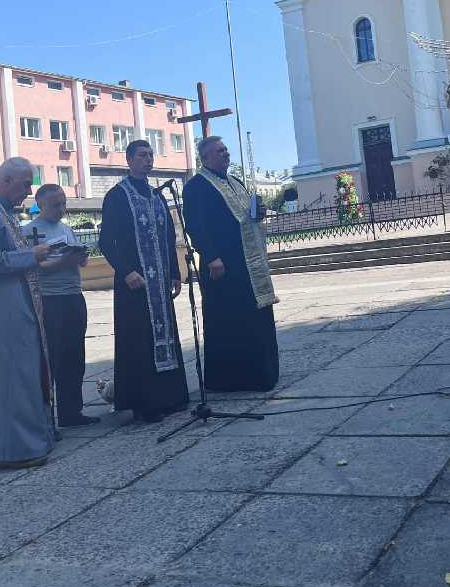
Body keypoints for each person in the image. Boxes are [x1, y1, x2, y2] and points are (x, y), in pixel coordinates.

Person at [0, 158, 55, 469]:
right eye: (26, 184)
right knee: (11, 376)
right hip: (3, 307)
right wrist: (32, 255)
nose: (29, 191)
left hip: (20, 303)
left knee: (26, 372)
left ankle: (34, 438)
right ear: (6, 180)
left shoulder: (4, 211)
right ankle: (14, 449)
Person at [98, 140, 188, 422]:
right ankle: (145, 403)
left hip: (160, 282)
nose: (148, 160)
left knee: (166, 337)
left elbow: (169, 238)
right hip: (134, 284)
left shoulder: (157, 195)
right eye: (142, 155)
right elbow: (106, 242)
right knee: (139, 341)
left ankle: (170, 396)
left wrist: (175, 272)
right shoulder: (117, 196)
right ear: (128, 160)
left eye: (151, 155)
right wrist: (126, 271)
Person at [182, 136, 279, 392]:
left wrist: (258, 212)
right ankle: (230, 379)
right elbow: (195, 224)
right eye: (219, 151)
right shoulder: (197, 185)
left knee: (252, 318)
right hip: (222, 265)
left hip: (247, 263)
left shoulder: (234, 181)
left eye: (225, 150)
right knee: (228, 321)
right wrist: (211, 256)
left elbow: (244, 216)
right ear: (206, 158)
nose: (225, 154)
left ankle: (260, 374)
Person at [22, 184, 98, 428]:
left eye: (64, 203)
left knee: (75, 356)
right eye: (56, 204)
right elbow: (32, 268)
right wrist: (65, 261)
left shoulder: (66, 229)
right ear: (41, 204)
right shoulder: (28, 232)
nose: (61, 209)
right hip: (49, 299)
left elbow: (80, 262)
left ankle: (72, 412)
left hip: (73, 296)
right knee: (52, 356)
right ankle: (47, 416)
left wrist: (80, 257)